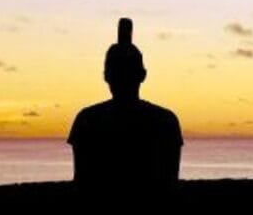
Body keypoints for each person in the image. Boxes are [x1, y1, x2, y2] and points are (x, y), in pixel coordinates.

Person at [67, 18, 183, 192]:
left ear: (106, 75)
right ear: (143, 75)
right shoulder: (166, 121)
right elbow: (169, 183)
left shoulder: (88, 120)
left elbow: (82, 183)